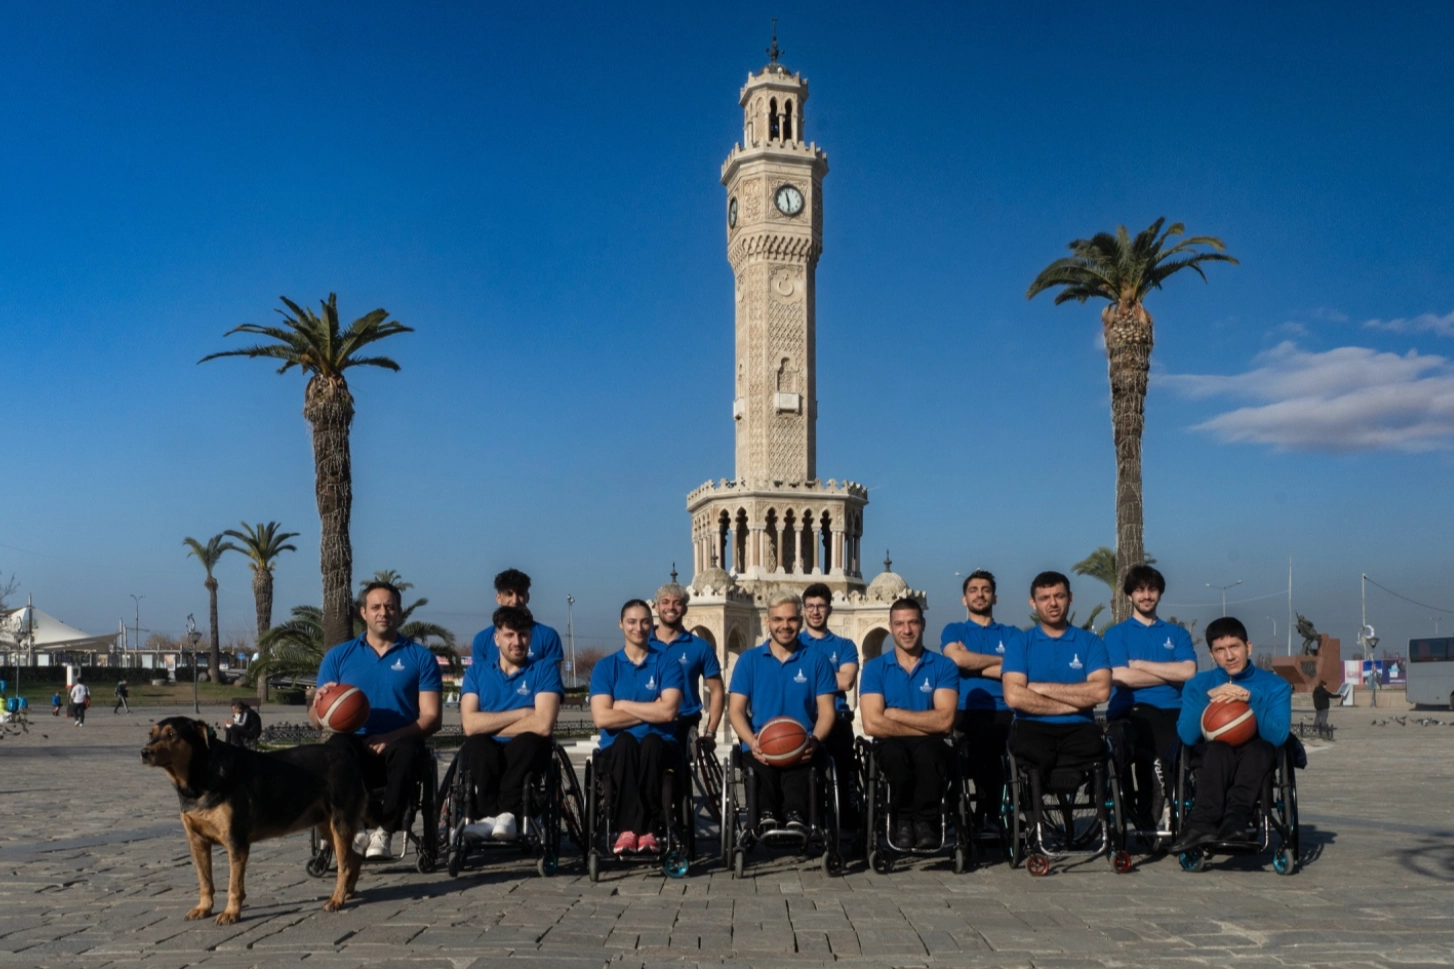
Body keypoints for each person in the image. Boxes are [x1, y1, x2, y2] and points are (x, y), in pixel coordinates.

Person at [314, 580, 443, 859]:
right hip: (353, 742)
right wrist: (319, 706)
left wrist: (390, 737)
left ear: (399, 613)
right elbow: (316, 719)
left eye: (390, 606)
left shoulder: (420, 657)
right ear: (363, 613)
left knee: (409, 749)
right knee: (334, 750)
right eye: (376, 607)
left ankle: (384, 831)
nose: (383, 612)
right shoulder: (339, 656)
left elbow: (432, 718)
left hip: (398, 743)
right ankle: (353, 828)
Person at [1169, 617, 1292, 854]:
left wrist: (1251, 700)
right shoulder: (1197, 684)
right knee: (1219, 750)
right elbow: (1186, 735)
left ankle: (1235, 821)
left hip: (1256, 749)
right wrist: (1208, 698)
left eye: (1234, 647)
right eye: (1220, 650)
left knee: (1258, 751)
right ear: (1212, 654)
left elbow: (1278, 736)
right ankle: (1201, 824)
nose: (1229, 656)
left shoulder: (1276, 686)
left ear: (1248, 646)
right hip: (1213, 751)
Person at [1001, 572, 1111, 822]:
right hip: (1032, 729)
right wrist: (1075, 701)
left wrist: (1040, 688)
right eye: (1044, 598)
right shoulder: (1021, 643)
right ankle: (1035, 826)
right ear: (1033, 603)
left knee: (1097, 746)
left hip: (1080, 730)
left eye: (1059, 596)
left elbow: (1101, 691)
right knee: (1030, 751)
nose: (1052, 603)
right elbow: (1014, 697)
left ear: (1070, 598)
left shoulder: (1090, 643)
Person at [728, 592, 837, 834]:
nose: (784, 626)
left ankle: (796, 814)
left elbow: (827, 711)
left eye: (791, 619)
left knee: (800, 764)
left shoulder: (817, 660)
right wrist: (751, 741)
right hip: (760, 742)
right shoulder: (749, 660)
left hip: (803, 741)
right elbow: (735, 710)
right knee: (760, 767)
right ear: (767, 621)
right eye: (777, 619)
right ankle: (765, 814)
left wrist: (815, 740)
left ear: (801, 620)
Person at [859, 598, 959, 849]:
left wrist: (894, 714)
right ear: (891, 628)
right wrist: (925, 725)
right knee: (895, 756)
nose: (907, 630)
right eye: (899, 624)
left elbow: (946, 720)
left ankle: (926, 822)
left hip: (931, 744)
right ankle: (901, 820)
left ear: (923, 624)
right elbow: (872, 724)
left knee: (929, 754)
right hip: (891, 743)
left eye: (913, 622)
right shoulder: (875, 668)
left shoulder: (943, 666)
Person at [457, 605, 563, 842]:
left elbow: (544, 724)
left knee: (528, 741)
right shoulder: (477, 672)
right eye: (509, 635)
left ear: (530, 637)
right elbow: (470, 725)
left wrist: (490, 723)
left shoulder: (544, 669)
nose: (517, 641)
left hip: (527, 747)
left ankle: (502, 814)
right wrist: (524, 713)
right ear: (496, 639)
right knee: (476, 744)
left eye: (523, 634)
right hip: (487, 746)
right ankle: (494, 815)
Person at [1103, 565, 1196, 831]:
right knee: (1141, 743)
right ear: (1129, 595)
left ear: (1159, 594)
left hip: (1174, 709)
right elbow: (1121, 677)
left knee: (1186, 746)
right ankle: (1146, 812)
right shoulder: (1116, 634)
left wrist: (1140, 664)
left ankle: (1171, 811)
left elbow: (1189, 672)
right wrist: (1170, 674)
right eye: (1140, 590)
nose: (1146, 595)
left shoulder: (1177, 633)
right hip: (1132, 709)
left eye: (1152, 589)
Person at [589, 599, 685, 855]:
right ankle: (628, 829)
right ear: (621, 624)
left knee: (652, 743)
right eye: (631, 621)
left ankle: (648, 829)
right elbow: (602, 719)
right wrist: (650, 711)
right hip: (617, 748)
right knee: (625, 743)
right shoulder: (605, 667)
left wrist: (621, 705)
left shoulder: (668, 664)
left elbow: (668, 711)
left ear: (652, 625)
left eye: (644, 621)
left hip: (660, 746)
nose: (638, 627)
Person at [941, 569, 1022, 829]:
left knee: (999, 742)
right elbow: (957, 659)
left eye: (985, 590)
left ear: (994, 598)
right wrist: (1003, 662)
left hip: (1003, 708)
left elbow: (1021, 670)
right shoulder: (954, 629)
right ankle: (982, 813)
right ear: (964, 599)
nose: (980, 595)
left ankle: (990, 814)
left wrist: (974, 663)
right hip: (966, 709)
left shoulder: (1011, 634)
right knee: (974, 745)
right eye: (973, 590)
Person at [799, 583, 860, 818]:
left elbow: (846, 681)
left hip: (837, 718)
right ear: (803, 610)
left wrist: (803, 677)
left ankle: (848, 815)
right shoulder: (793, 644)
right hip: (803, 719)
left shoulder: (844, 645)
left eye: (821, 606)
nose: (815, 612)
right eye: (811, 606)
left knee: (844, 765)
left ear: (829, 609)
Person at [649, 582, 724, 749]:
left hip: (684, 721)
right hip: (647, 719)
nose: (671, 607)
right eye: (665, 602)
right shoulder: (642, 644)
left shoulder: (700, 647)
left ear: (685, 609)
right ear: (656, 607)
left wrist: (711, 732)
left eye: (677, 602)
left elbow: (717, 690)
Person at [471, 569, 564, 671]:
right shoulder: (481, 640)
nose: (515, 601)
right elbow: (481, 680)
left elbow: (552, 679)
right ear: (498, 598)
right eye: (509, 594)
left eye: (520, 594)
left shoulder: (548, 636)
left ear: (527, 597)